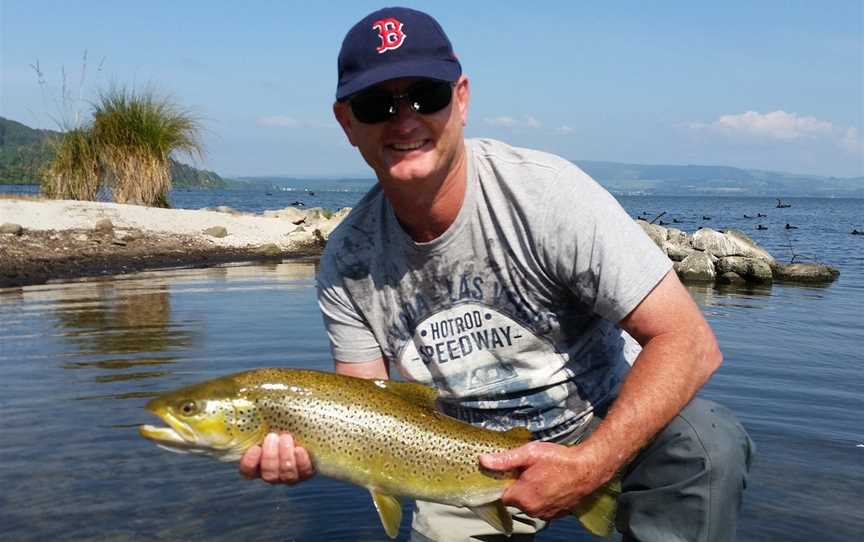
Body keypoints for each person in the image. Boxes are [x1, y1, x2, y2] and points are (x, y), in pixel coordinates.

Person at [240, 7, 754, 541]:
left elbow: (690, 342)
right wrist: (312, 451)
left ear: (461, 99)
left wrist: (591, 465)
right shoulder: (346, 263)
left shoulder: (547, 196)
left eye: (426, 96)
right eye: (377, 104)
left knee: (704, 441)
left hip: (600, 421)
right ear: (347, 122)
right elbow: (365, 406)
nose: (405, 119)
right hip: (459, 460)